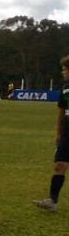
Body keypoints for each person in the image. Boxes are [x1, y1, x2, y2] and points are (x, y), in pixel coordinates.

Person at [34, 56, 69, 212]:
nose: (63, 72)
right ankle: (52, 201)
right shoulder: (65, 88)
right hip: (67, 130)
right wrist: (59, 132)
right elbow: (61, 110)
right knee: (59, 164)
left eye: (65, 69)